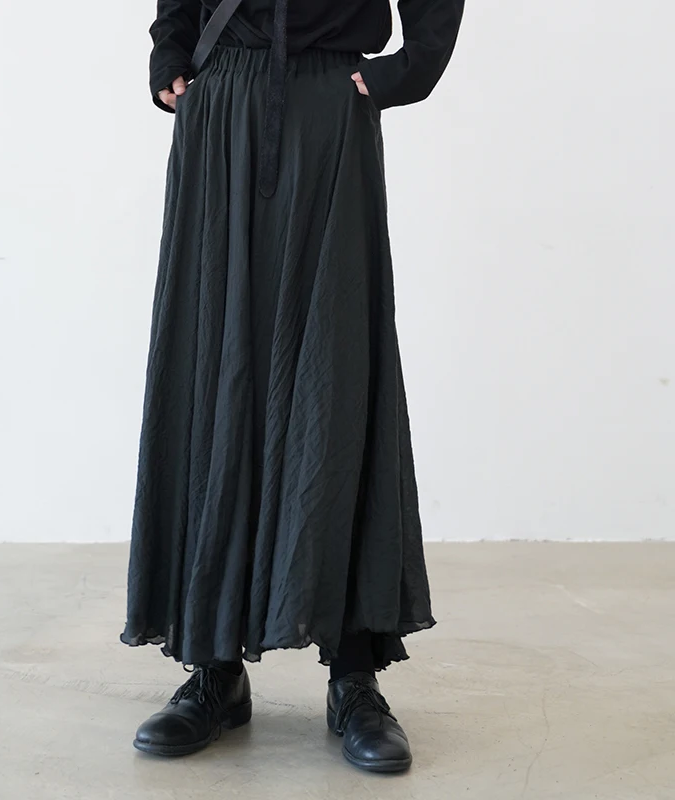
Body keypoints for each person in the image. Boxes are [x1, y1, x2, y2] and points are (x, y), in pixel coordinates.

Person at [121, 0, 464, 774]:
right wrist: (171, 52)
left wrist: (409, 69)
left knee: (338, 372)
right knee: (213, 368)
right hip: (222, 103)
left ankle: (354, 676)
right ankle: (213, 666)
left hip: (328, 103)